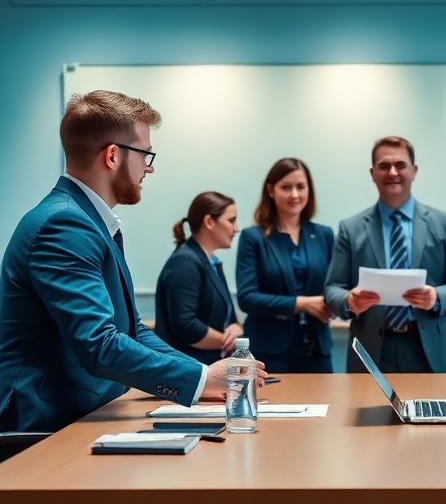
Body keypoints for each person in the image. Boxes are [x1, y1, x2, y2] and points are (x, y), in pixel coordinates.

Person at [0, 90, 266, 432]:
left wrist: (208, 381)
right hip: (44, 425)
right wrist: (202, 378)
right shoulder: (64, 225)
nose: (149, 167)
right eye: (145, 154)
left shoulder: (89, 221)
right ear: (112, 156)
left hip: (82, 413)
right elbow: (99, 344)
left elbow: (133, 331)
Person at [325, 136, 446, 373]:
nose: (392, 172)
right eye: (384, 166)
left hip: (429, 350)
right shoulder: (350, 228)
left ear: (414, 171)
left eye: (400, 165)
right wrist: (349, 301)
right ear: (372, 173)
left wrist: (436, 296)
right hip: (371, 351)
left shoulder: (443, 223)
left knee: (433, 410)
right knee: (368, 412)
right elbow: (332, 288)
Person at [236, 158, 334, 372]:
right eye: (286, 187)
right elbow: (247, 298)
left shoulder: (324, 235)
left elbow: (334, 286)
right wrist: (301, 303)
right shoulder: (253, 237)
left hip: (317, 349)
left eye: (301, 187)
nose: (295, 195)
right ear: (271, 191)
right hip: (269, 351)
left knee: (327, 406)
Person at [154, 191, 243, 365]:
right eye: (231, 220)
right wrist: (232, 342)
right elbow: (185, 325)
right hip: (188, 368)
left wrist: (236, 328)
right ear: (209, 222)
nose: (236, 228)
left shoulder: (212, 262)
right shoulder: (185, 261)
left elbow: (229, 318)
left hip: (208, 366)